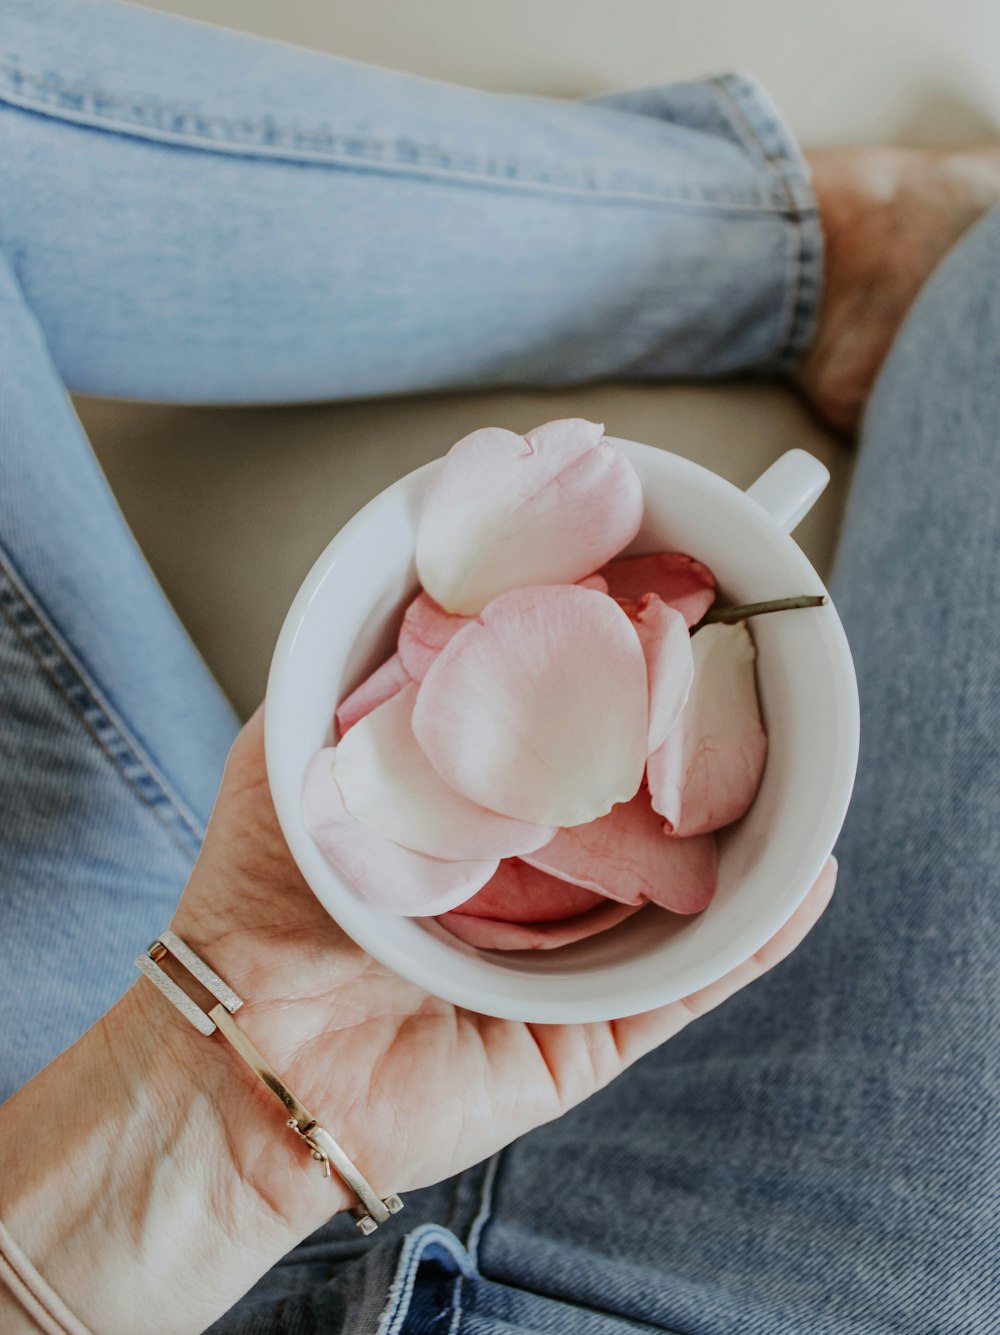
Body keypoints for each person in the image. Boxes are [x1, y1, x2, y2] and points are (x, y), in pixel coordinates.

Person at [0, 2, 997, 1332]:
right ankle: (808, 256)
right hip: (762, 1277)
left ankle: (791, 253)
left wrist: (224, 1121)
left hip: (159, 1126)